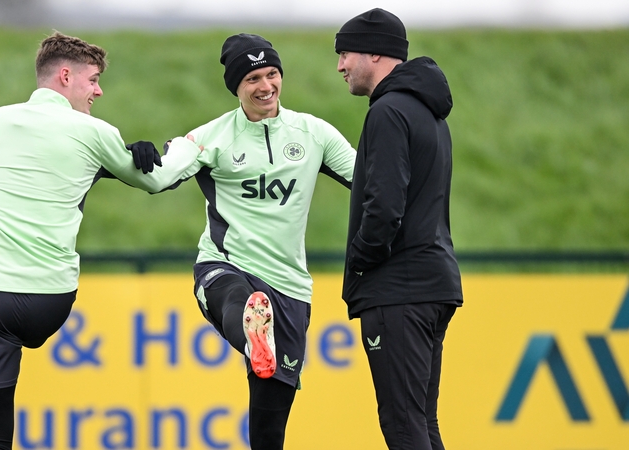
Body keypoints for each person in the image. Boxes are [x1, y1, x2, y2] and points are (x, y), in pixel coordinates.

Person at [0, 31, 200, 449]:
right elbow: (158, 180)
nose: (99, 90)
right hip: (49, 300)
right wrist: (188, 146)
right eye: (94, 79)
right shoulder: (93, 131)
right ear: (66, 76)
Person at [161, 33, 357, 449]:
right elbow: (161, 172)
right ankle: (253, 331)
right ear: (236, 86)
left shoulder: (313, 133)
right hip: (225, 264)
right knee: (235, 298)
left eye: (271, 74)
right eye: (252, 78)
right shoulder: (210, 137)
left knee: (269, 430)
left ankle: (259, 341)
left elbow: (371, 179)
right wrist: (140, 154)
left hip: (289, 288)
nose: (265, 85)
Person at [334, 8, 463, 450]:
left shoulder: (388, 111)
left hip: (399, 290)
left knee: (404, 427)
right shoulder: (429, 112)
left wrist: (364, 262)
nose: (340, 65)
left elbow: (385, 207)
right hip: (431, 284)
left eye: (345, 52)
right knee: (422, 423)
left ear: (376, 53)